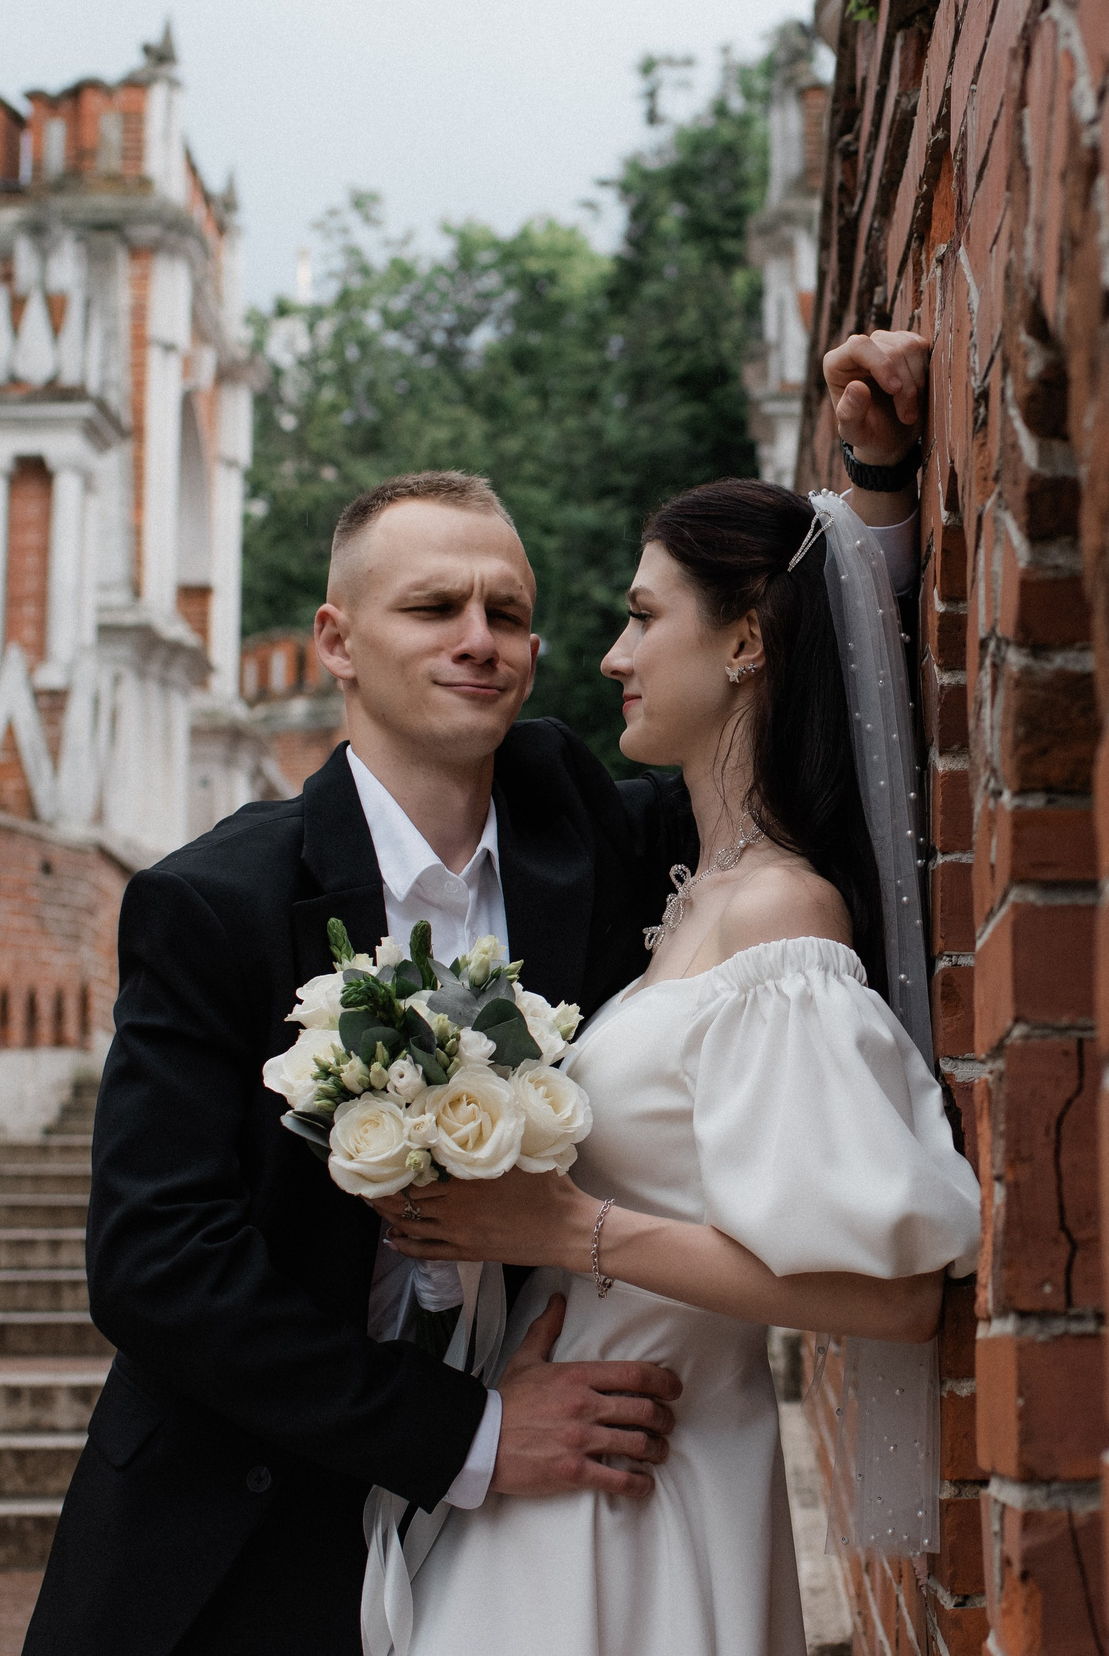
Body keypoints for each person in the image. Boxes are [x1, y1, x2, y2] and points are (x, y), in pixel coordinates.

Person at [361, 328, 981, 1655]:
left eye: (644, 614)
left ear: (747, 639)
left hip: (640, 1478)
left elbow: (888, 1293)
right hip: (553, 1465)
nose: (607, 654)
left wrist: (564, 1224)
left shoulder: (784, 922)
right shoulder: (690, 887)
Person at [24, 470, 700, 1656]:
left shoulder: (598, 834)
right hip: (247, 1519)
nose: (479, 642)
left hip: (554, 1541)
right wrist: (470, 1436)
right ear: (335, 641)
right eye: (435, 609)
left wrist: (881, 503)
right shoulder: (212, 903)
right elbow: (154, 1263)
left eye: (507, 611)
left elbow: (800, 757)